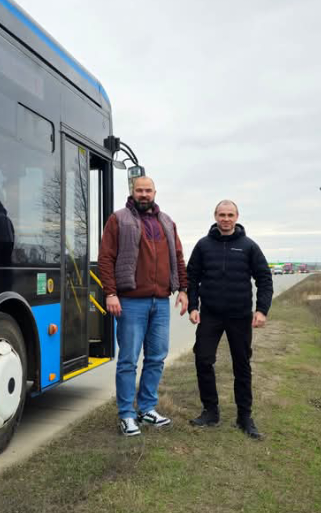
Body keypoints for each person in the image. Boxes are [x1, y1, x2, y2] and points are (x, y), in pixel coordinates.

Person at [97, 175, 188, 436]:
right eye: (140, 190)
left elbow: (178, 258)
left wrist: (183, 289)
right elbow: (106, 258)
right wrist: (111, 293)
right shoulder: (118, 219)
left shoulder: (167, 222)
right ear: (132, 192)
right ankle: (126, 414)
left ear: (155, 192)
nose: (144, 194)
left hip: (160, 301)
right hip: (130, 302)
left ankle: (147, 408)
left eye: (148, 190)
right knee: (128, 360)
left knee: (157, 357)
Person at [186, 200, 272, 438]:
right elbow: (191, 278)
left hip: (240, 316)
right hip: (210, 315)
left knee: (241, 366)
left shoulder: (248, 246)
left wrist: (261, 310)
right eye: (222, 214)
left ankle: (244, 417)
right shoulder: (203, 246)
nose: (226, 219)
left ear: (237, 216)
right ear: (215, 216)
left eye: (230, 215)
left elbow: (264, 279)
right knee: (203, 360)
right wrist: (193, 306)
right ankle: (210, 411)